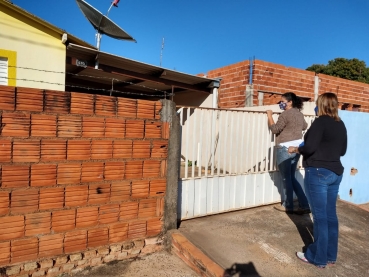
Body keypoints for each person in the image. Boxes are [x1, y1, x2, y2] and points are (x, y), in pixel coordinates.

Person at [289, 92, 347, 268]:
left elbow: (310, 147)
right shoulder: (340, 124)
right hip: (335, 173)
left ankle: (317, 257)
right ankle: (330, 255)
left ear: (320, 105)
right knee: (330, 216)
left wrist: (296, 149)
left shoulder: (320, 122)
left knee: (320, 217)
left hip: (318, 173)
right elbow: (342, 151)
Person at [266, 92, 310, 215]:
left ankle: (288, 205)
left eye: (282, 101)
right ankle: (304, 204)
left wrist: (269, 116)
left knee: (286, 178)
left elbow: (275, 129)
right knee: (291, 177)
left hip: (284, 148)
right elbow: (304, 126)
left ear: (290, 102)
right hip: (296, 149)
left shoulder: (285, 114)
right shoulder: (299, 114)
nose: (281, 103)